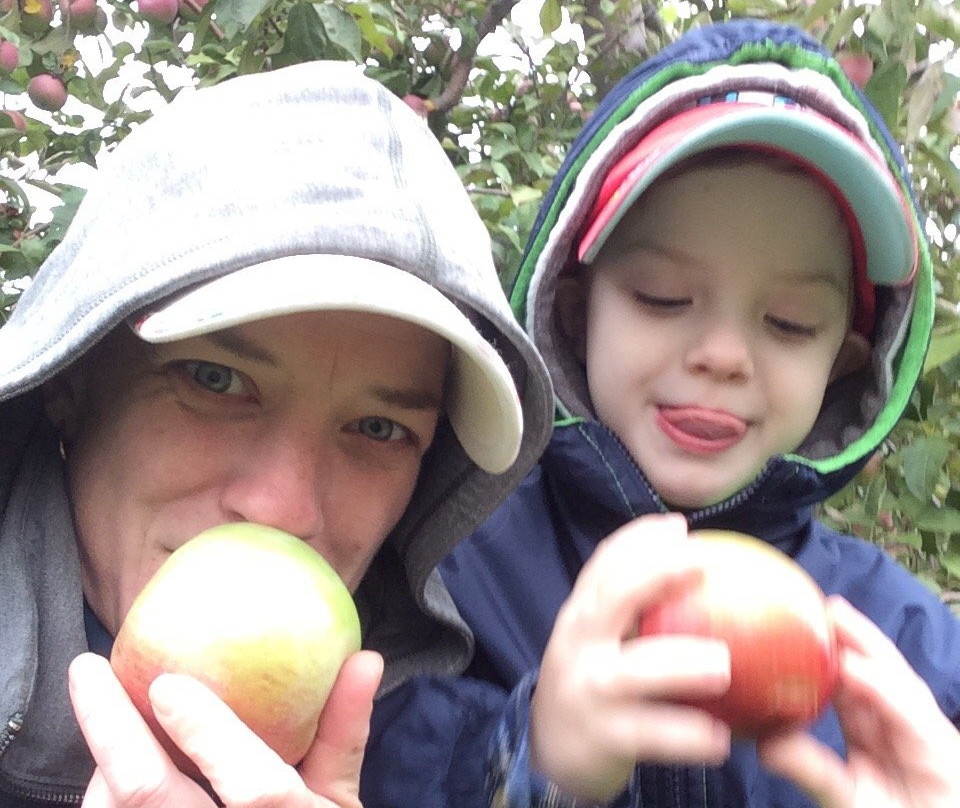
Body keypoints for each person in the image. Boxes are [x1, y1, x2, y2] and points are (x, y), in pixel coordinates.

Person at [358, 19, 960, 808]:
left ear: (843, 366)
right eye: (662, 298)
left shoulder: (901, 640)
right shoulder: (444, 581)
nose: (723, 354)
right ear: (573, 317)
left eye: (788, 324)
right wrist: (531, 763)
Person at [0, 60, 554, 807]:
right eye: (216, 380)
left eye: (379, 427)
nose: (282, 508)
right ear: (71, 381)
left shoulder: (448, 763)